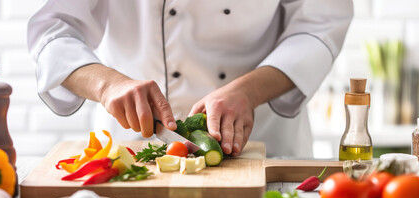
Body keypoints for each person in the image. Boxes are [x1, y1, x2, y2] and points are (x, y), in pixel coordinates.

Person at [27, 0, 353, 157]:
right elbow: (54, 30)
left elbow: (319, 24)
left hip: (262, 145)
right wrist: (107, 83)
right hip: (131, 144)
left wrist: (250, 91)